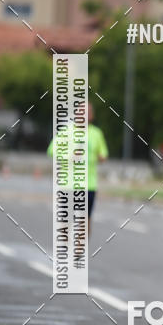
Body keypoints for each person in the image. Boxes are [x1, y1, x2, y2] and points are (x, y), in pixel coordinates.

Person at [47, 101, 108, 237]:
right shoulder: (66, 131)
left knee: (85, 220)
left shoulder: (96, 133)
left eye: (88, 113)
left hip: (88, 185)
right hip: (68, 184)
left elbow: (103, 153)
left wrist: (101, 157)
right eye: (82, 111)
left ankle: (79, 253)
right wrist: (69, 156)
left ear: (92, 116)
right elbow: (52, 150)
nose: (84, 115)